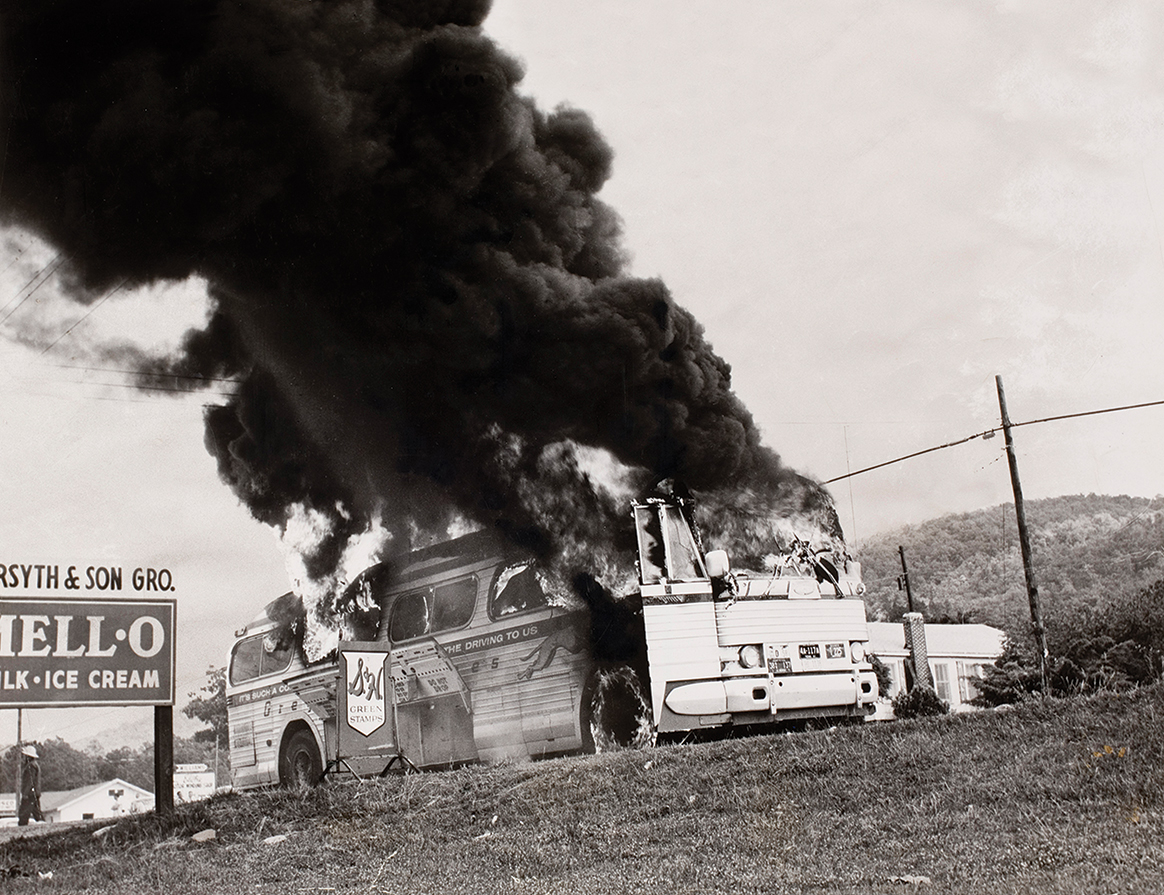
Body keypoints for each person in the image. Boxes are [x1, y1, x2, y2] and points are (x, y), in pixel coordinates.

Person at [17, 744, 44, 826]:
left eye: (24, 755)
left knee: (23, 813)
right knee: (37, 813)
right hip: (34, 793)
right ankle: (44, 826)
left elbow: (29, 781)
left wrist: (25, 793)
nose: (23, 757)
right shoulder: (35, 765)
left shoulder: (30, 766)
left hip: (29, 794)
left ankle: (21, 830)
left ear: (28, 757)